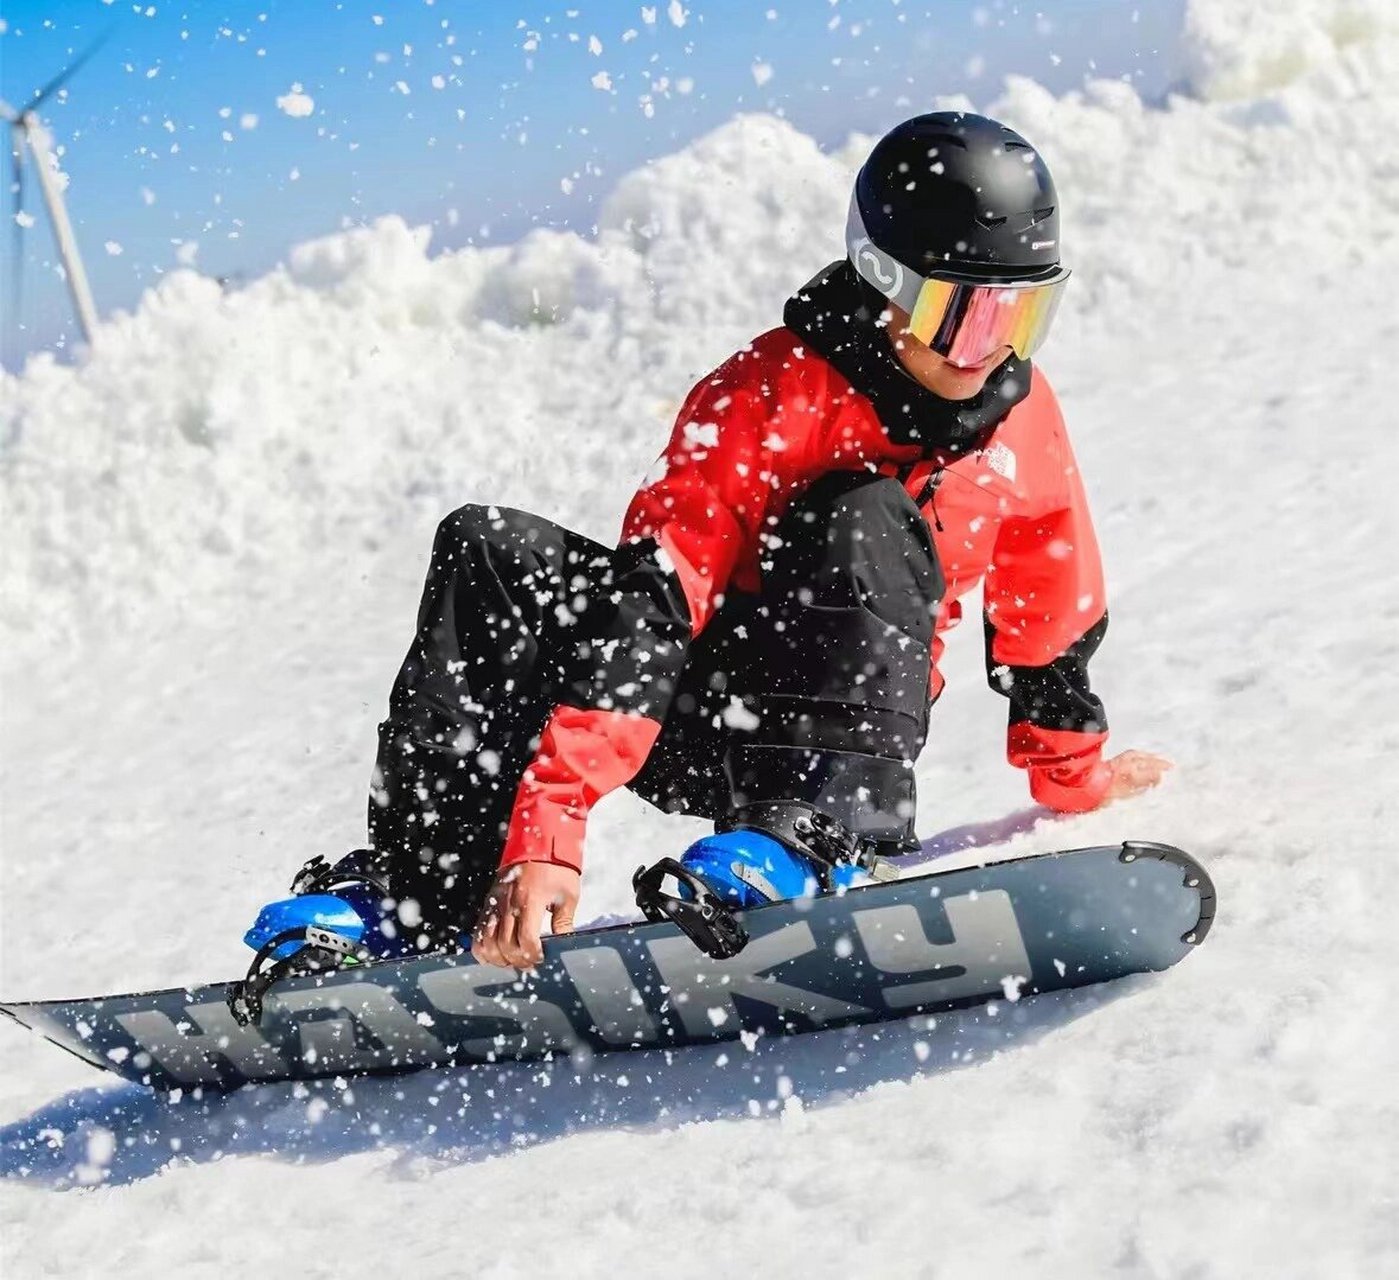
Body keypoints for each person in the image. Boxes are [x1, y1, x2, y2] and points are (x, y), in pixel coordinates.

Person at [244, 111, 1171, 975]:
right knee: (488, 547)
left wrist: (1072, 777)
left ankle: (817, 833)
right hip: (697, 717)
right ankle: (420, 892)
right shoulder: (763, 394)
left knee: (866, 511)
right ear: (883, 279)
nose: (987, 352)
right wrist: (547, 832)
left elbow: (1049, 608)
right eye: (963, 314)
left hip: (839, 746)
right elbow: (652, 601)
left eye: (1020, 316)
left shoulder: (1022, 417)